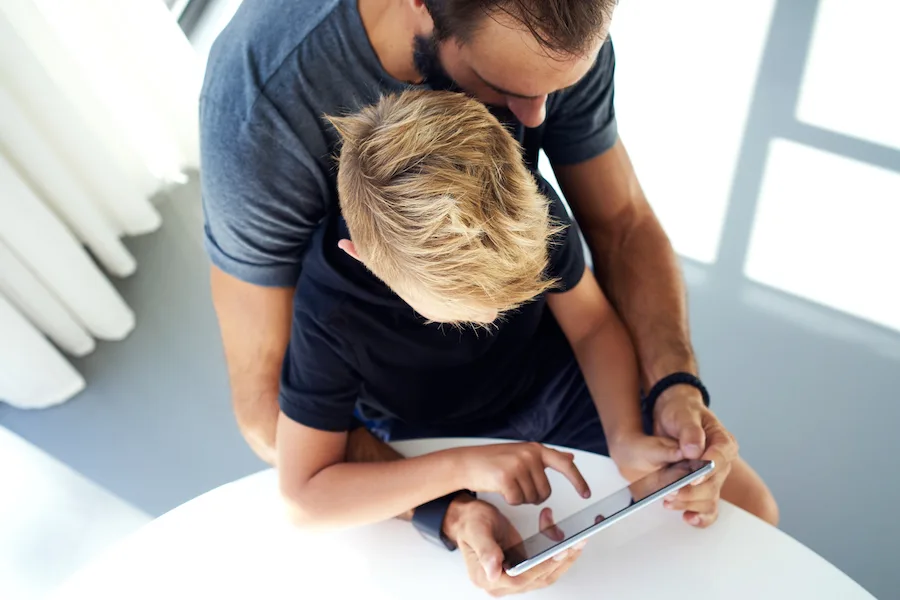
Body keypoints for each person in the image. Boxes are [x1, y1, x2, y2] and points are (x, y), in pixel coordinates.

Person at [200, 0, 779, 594]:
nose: (538, 113)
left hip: (551, 380)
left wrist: (647, 411)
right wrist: (452, 495)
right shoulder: (267, 131)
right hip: (411, 428)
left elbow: (597, 306)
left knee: (752, 511)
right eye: (506, 87)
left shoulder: (531, 180)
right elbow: (293, 470)